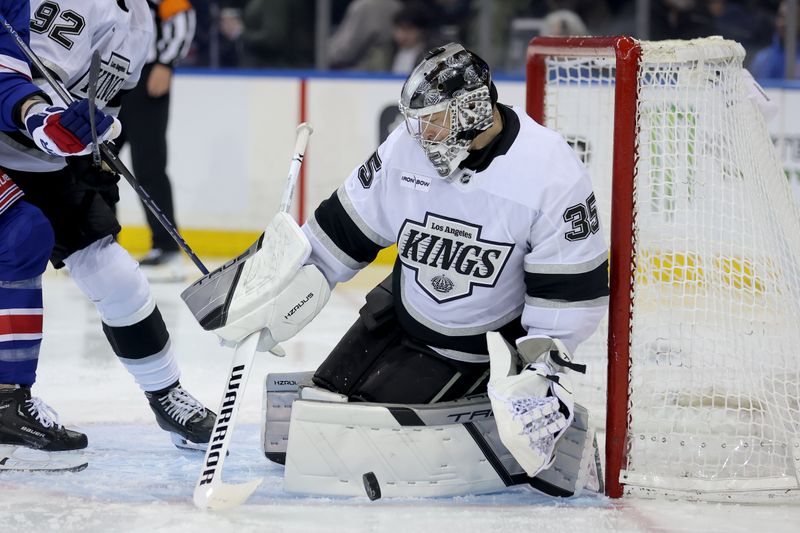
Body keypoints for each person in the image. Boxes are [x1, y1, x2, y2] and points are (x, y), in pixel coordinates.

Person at [192, 43, 609, 482]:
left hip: (474, 351)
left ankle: (487, 405)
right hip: (399, 314)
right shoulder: (406, 150)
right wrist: (277, 285)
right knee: (308, 425)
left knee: (340, 448)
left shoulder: (549, 172)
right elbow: (341, 231)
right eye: (416, 121)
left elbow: (569, 293)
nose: (420, 134)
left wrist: (536, 375)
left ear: (472, 110)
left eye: (432, 120)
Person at [0, 0, 215, 457]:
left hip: (52, 162)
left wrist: (92, 134)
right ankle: (8, 402)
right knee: (20, 242)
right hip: (7, 142)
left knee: (114, 275)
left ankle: (166, 395)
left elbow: (103, 106)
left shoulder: (138, 22)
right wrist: (44, 123)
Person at [116, 0, 196, 281]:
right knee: (95, 164)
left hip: (145, 75)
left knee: (148, 164)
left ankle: (165, 245)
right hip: (106, 77)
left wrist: (166, 62)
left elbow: (182, 16)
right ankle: (100, 244)